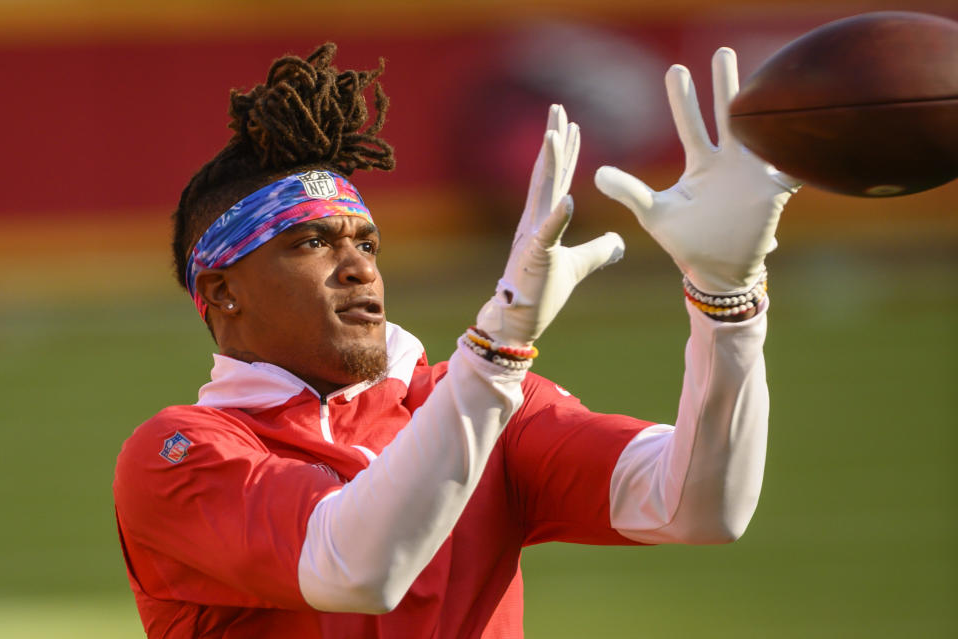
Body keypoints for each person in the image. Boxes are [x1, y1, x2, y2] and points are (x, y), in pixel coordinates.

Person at [113, 42, 797, 638]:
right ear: (223, 289)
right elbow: (354, 568)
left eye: (368, 243)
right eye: (311, 242)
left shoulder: (483, 400)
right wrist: (495, 351)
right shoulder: (179, 455)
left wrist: (727, 301)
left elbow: (702, 504)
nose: (357, 266)